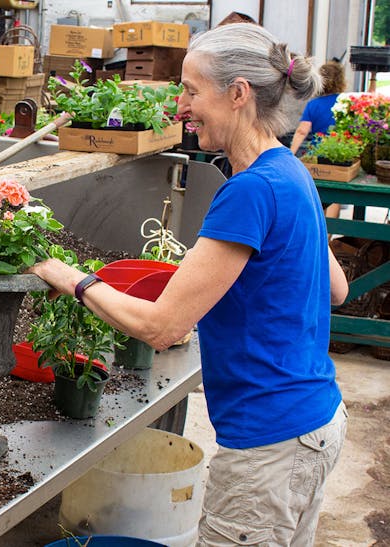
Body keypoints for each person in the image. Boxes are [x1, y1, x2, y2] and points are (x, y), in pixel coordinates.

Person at [30, 23, 349, 546]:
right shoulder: (289, 170)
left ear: (238, 94)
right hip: (316, 423)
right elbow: (335, 289)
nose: (181, 105)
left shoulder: (250, 191)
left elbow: (162, 326)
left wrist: (70, 278)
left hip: (269, 443)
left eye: (192, 90)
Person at [290, 61, 348, 219]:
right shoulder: (345, 102)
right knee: (336, 197)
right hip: (341, 156)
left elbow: (302, 131)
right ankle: (329, 237)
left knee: (318, 196)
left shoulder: (313, 104)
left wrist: (290, 153)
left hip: (316, 156)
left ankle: (321, 234)